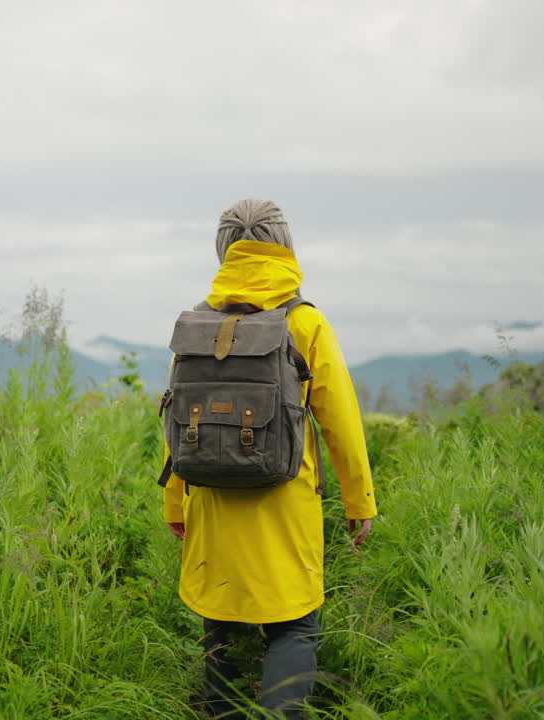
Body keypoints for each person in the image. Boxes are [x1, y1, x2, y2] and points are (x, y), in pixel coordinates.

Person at [163, 199, 377, 718]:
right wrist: (360, 500)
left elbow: (174, 422)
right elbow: (341, 421)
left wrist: (176, 504)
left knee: (222, 622)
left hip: (212, 502)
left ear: (224, 250)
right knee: (294, 625)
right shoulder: (305, 322)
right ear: (284, 246)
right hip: (285, 504)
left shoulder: (197, 326)